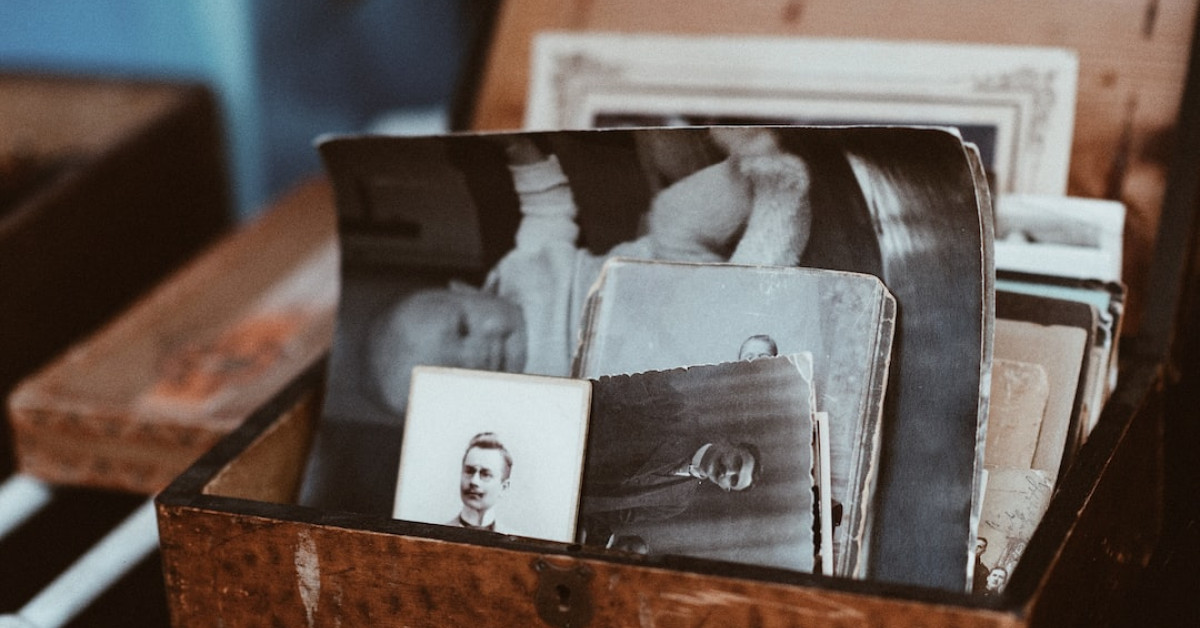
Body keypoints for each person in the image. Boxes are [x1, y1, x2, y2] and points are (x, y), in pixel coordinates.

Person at [364, 129, 814, 415]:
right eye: (457, 377)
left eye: (462, 330)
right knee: (706, 370)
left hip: (666, 259)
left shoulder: (520, 269)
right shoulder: (529, 398)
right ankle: (768, 249)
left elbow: (546, 210)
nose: (477, 355)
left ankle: (760, 173)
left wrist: (525, 156)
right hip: (674, 340)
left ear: (467, 290)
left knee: (671, 215)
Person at [579, 437, 762, 536]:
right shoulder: (679, 418)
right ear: (729, 443)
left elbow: (621, 515)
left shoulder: (678, 503)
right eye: (736, 462)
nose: (727, 472)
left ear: (725, 488)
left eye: (734, 480)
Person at [445, 432, 513, 533]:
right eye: (469, 471)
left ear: (504, 487)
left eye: (485, 474)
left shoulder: (514, 544)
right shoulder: (437, 537)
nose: (474, 481)